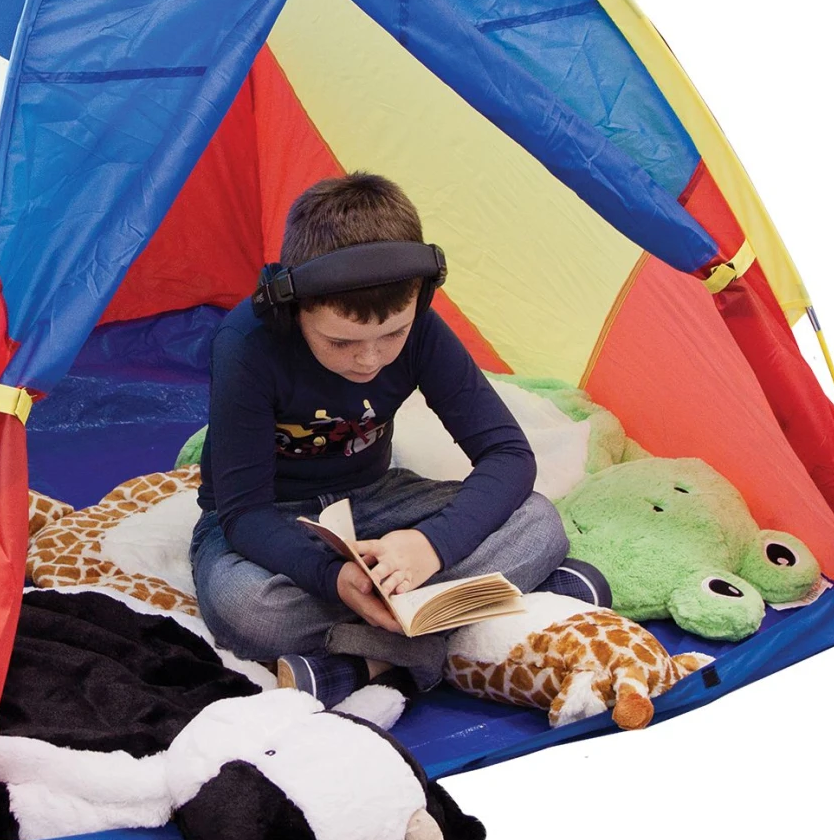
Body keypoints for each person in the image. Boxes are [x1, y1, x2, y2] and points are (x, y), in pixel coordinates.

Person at [190, 172, 609, 706]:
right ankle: (462, 623)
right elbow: (244, 513)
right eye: (341, 342)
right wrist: (332, 576)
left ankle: (375, 660)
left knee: (539, 522)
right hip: (273, 515)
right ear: (292, 308)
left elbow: (507, 455)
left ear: (420, 298)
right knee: (247, 609)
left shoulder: (424, 329)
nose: (370, 359)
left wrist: (430, 545)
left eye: (393, 334)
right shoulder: (246, 343)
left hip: (377, 496)